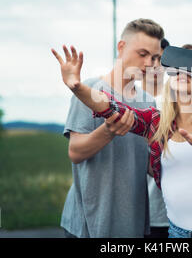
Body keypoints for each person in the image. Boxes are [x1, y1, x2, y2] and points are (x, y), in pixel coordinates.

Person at [52, 43, 192, 238]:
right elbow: (112, 107)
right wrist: (77, 87)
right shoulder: (155, 121)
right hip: (181, 233)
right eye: (178, 68)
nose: (183, 73)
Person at [58, 18, 164, 238]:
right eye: (142, 54)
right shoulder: (90, 91)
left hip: (131, 222)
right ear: (121, 47)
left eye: (155, 58)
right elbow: (75, 153)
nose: (149, 64)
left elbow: (150, 166)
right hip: (89, 222)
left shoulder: (149, 103)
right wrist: (108, 131)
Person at [141, 38, 169, 238]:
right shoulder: (125, 99)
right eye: (148, 57)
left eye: (159, 58)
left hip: (166, 211)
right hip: (134, 208)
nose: (154, 64)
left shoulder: (177, 100)